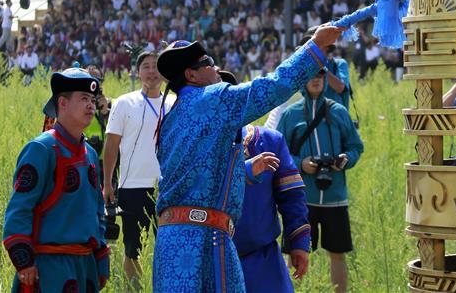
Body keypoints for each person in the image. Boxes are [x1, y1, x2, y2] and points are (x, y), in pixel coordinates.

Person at [152, 24, 344, 293]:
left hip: (171, 244)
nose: (215, 67)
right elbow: (275, 86)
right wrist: (314, 47)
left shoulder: (169, 120)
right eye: (207, 62)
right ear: (191, 74)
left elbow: (198, 176)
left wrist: (246, 170)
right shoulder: (215, 100)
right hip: (206, 240)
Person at [2, 69, 110, 292]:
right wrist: (24, 262)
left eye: (92, 99)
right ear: (62, 103)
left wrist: (101, 258)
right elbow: (20, 210)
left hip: (85, 266)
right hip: (50, 269)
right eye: (83, 99)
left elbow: (97, 210)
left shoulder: (89, 153)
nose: (91, 105)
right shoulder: (41, 149)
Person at [277, 68, 364, 293]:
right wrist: (300, 164)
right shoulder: (290, 115)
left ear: (325, 79)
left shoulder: (338, 111)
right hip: (302, 198)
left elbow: (355, 146)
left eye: (320, 75)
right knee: (296, 254)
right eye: (310, 75)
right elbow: (279, 153)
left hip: (335, 197)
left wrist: (346, 159)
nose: (315, 79)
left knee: (337, 253)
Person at [102, 50, 174, 284]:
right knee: (133, 248)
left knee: (167, 248)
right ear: (137, 71)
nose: (152, 71)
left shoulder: (174, 103)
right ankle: (135, 289)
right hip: (132, 186)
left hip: (168, 187)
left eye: (156, 66)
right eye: (146, 66)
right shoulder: (125, 103)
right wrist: (107, 184)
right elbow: (111, 145)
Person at [233, 126, 310, 293]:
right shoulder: (198, 139)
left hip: (264, 262)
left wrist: (299, 242)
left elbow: (291, 195)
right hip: (209, 261)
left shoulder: (269, 141)